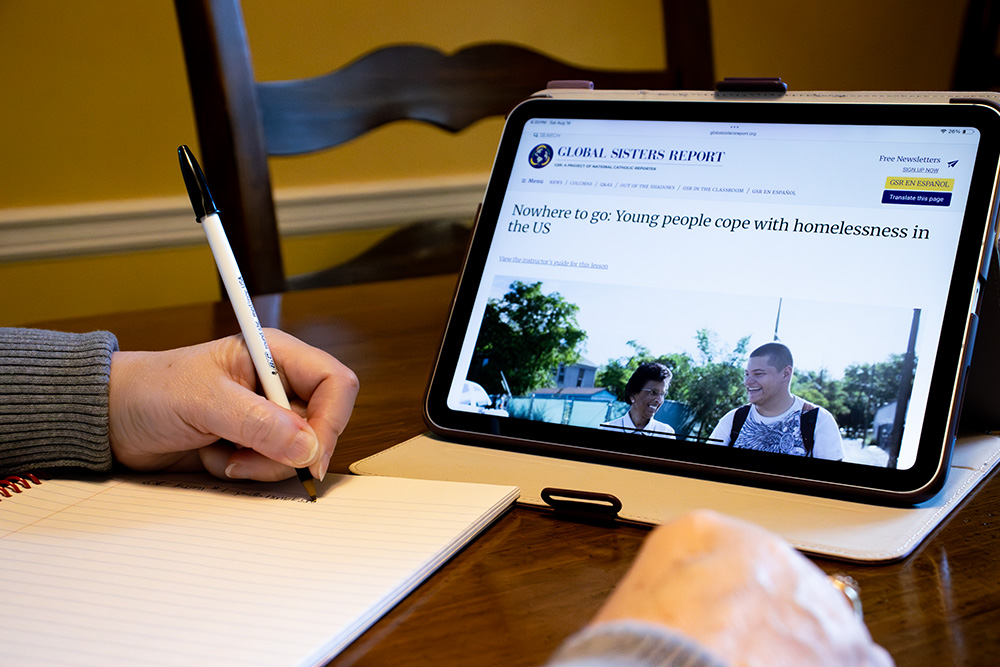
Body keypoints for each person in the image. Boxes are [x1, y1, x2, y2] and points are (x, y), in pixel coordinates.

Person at [0, 327, 890, 665]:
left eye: (763, 369)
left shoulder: (813, 425)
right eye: (748, 368)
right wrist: (656, 655)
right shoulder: (723, 416)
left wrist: (107, 393)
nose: (751, 378)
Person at [709, 342, 844, 461]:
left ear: (785, 373)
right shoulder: (733, 419)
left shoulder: (818, 420)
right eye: (747, 374)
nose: (747, 382)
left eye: (758, 374)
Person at [600, 362, 676, 436]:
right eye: (653, 392)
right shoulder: (606, 429)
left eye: (662, 394)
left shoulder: (666, 433)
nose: (659, 400)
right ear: (633, 394)